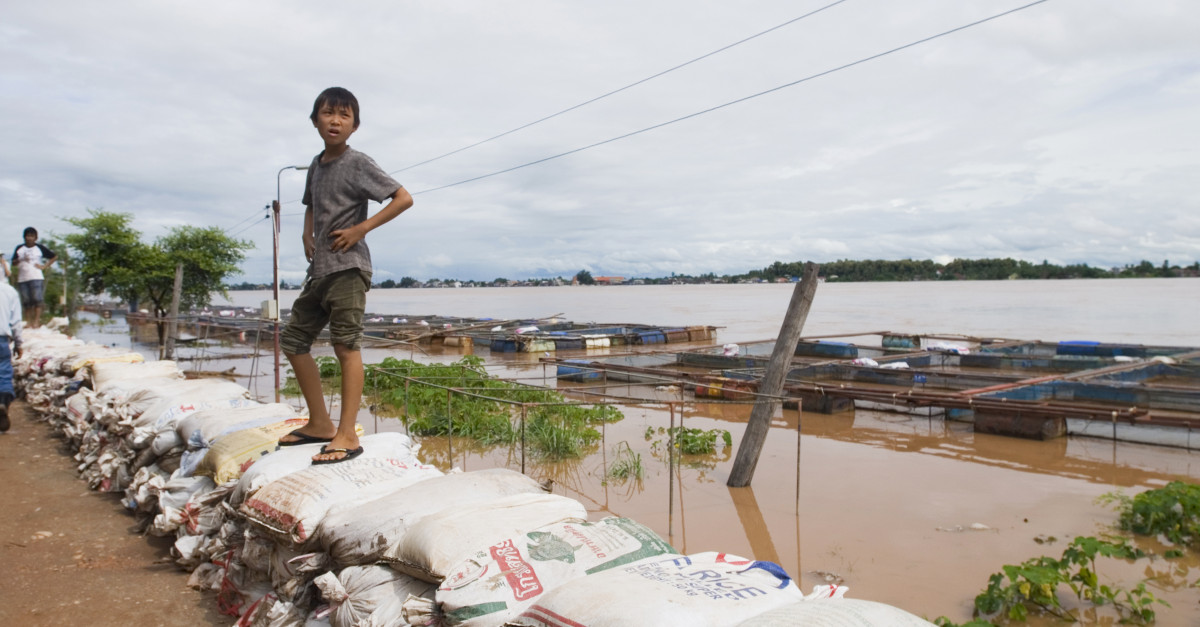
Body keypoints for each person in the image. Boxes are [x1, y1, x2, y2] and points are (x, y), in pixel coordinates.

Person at [276, 87, 414, 464]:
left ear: (354, 126)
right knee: (293, 340)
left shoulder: (358, 163)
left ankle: (348, 433)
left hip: (349, 267)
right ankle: (320, 423)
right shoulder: (316, 165)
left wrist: (361, 229)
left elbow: (403, 198)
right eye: (327, 114)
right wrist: (307, 233)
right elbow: (310, 205)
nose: (335, 121)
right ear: (315, 120)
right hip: (319, 269)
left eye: (344, 116)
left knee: (345, 346)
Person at [11, 227, 56, 329]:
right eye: (28, 236)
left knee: (37, 299)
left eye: (32, 236)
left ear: (35, 238)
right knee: (26, 300)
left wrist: (44, 266)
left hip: (36, 276)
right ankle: (28, 321)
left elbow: (53, 256)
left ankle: (36, 321)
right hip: (22, 277)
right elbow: (13, 263)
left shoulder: (39, 248)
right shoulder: (20, 248)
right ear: (24, 237)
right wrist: (21, 259)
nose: (29, 238)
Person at [0, 277, 22, 432]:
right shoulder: (9, 291)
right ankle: (2, 403)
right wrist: (19, 343)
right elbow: (16, 322)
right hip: (2, 339)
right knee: (4, 373)